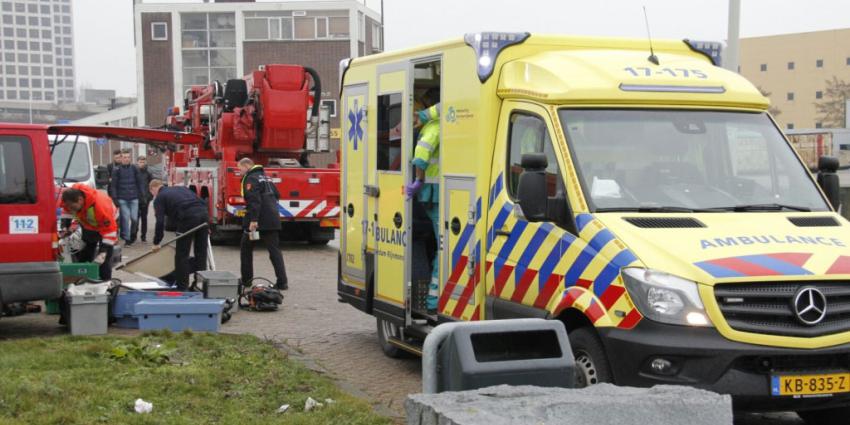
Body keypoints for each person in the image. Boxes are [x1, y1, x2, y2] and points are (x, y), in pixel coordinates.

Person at [406, 97, 441, 313]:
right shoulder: (437, 126)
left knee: (441, 248)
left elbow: (420, 157)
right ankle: (433, 302)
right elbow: (420, 157)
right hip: (433, 195)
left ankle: (433, 301)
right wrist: (419, 180)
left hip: (431, 193)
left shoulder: (434, 126)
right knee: (443, 249)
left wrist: (419, 180)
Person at [238, 157, 288, 290]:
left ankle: (246, 280)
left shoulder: (250, 179)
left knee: (246, 249)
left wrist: (254, 220)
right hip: (272, 218)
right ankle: (282, 282)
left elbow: (254, 200)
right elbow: (277, 194)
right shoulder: (266, 178)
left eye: (240, 168)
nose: (240, 172)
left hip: (257, 219)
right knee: (274, 251)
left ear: (247, 165)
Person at [150, 179, 209, 290]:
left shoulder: (159, 197)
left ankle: (182, 287)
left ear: (153, 189)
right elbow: (200, 200)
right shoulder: (180, 188)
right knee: (201, 252)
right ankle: (200, 284)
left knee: (182, 254)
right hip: (203, 214)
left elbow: (160, 222)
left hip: (188, 217)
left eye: (152, 193)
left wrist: (156, 242)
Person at [59, 184, 119, 280]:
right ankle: (82, 279)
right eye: (69, 206)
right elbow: (67, 211)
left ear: (80, 200)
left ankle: (105, 283)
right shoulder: (69, 198)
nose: (71, 209)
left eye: (72, 207)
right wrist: (65, 227)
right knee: (85, 253)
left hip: (108, 225)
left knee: (104, 260)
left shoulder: (100, 207)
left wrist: (103, 252)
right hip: (89, 224)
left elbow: (109, 231)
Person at [109, 150, 146, 246]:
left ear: (130, 158)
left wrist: (143, 196)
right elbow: (113, 186)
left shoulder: (135, 168)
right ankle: (127, 239)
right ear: (121, 159)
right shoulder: (116, 170)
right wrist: (115, 198)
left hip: (134, 197)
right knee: (125, 218)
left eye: (128, 157)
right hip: (122, 198)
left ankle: (132, 234)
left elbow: (140, 183)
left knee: (134, 219)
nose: (126, 159)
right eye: (124, 157)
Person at [135, 156, 154, 243]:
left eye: (143, 162)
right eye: (140, 162)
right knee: (135, 218)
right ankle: (134, 235)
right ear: (137, 162)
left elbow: (152, 185)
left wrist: (150, 197)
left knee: (144, 218)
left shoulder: (148, 173)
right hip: (135, 199)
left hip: (145, 199)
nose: (142, 163)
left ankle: (143, 236)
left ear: (145, 162)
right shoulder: (134, 172)